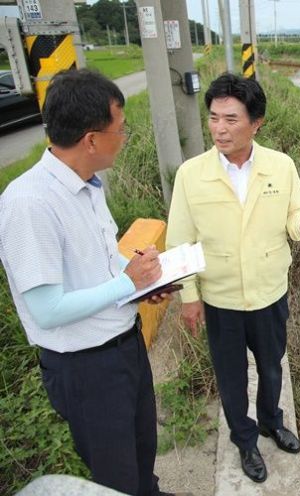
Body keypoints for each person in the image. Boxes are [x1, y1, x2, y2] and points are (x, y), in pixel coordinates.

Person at [0, 69, 176, 496]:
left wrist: (142, 284)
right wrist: (125, 284)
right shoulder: (30, 204)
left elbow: (100, 264)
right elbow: (47, 309)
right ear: (91, 139)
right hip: (87, 369)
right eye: (121, 129)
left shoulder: (88, 184)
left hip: (124, 347)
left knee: (141, 449)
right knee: (115, 475)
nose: (125, 137)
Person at [166, 73, 300, 483]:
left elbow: (296, 213)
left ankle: (272, 421)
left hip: (270, 290)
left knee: (272, 366)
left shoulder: (281, 166)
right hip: (220, 298)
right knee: (231, 376)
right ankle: (244, 439)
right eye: (214, 118)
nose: (220, 128)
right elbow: (180, 240)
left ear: (256, 123)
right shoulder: (191, 174)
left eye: (231, 119)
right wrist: (189, 295)